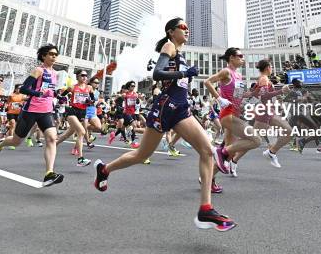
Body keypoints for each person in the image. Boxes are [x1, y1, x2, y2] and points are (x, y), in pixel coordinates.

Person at [93, 17, 236, 231]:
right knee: (142, 155)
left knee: (207, 150)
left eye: (188, 27)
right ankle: (105, 169)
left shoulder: (180, 53)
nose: (187, 30)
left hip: (180, 109)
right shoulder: (169, 46)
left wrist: (185, 79)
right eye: (183, 27)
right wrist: (184, 73)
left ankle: (205, 209)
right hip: (165, 107)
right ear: (171, 32)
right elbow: (157, 74)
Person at [0, 44, 64, 187]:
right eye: (51, 54)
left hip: (46, 111)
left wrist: (57, 96)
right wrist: (38, 94)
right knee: (16, 142)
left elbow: (49, 91)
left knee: (51, 138)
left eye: (56, 54)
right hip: (31, 110)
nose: (54, 56)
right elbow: (24, 88)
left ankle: (49, 173)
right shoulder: (38, 70)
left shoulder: (55, 73)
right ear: (43, 56)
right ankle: (1, 144)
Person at [204, 47, 260, 177]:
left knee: (229, 155)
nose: (242, 59)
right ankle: (221, 151)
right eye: (240, 56)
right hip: (227, 114)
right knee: (256, 140)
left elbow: (239, 95)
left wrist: (253, 93)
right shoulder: (226, 72)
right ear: (231, 58)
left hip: (235, 114)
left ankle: (207, 179)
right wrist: (219, 98)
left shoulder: (239, 75)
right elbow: (207, 82)